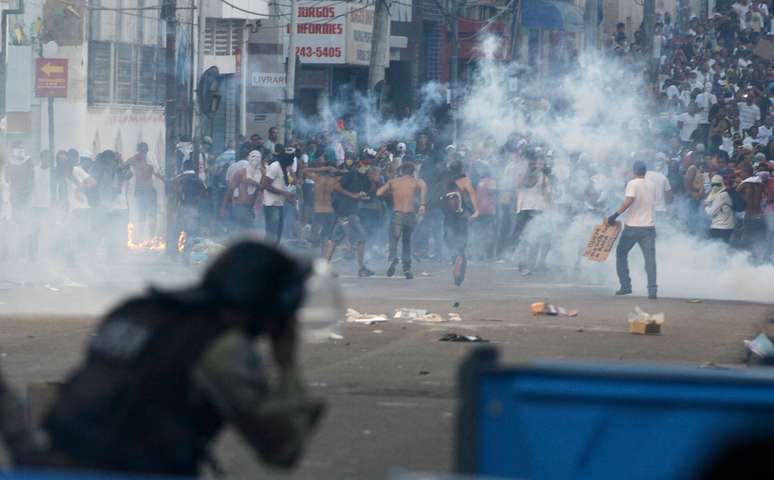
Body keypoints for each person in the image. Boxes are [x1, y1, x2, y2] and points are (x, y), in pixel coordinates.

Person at [0, 241, 330, 476]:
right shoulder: (219, 347)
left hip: (45, 465)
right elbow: (282, 450)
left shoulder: (137, 311)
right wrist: (286, 363)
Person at [608, 161, 658, 299]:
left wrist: (615, 215)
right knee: (650, 260)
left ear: (634, 171)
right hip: (649, 227)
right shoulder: (652, 185)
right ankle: (652, 291)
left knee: (621, 253)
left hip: (632, 226)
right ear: (645, 171)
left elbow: (628, 201)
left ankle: (625, 286)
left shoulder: (633, 183)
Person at [325, 155, 376, 277]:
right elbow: (336, 187)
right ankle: (361, 268)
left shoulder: (365, 178)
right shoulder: (351, 175)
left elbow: (370, 193)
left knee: (334, 240)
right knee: (361, 237)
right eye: (365, 164)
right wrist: (352, 195)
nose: (367, 167)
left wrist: (374, 182)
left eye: (369, 165)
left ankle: (324, 269)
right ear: (359, 164)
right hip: (346, 211)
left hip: (348, 211)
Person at [376, 162, 427, 279]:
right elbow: (424, 186)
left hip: (397, 214)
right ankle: (406, 267)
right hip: (410, 214)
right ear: (412, 171)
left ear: (401, 171)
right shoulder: (416, 182)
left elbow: (379, 192)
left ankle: (393, 258)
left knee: (394, 239)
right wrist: (422, 205)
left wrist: (392, 193)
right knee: (407, 242)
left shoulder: (393, 182)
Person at [439, 159, 479, 286]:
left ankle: (455, 259)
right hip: (462, 217)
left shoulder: (445, 180)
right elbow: (472, 194)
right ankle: (459, 275)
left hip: (448, 217)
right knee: (461, 244)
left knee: (449, 241)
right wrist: (476, 211)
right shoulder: (465, 180)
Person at [260, 148, 297, 244]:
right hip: (271, 205)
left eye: (293, 159)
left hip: (279, 204)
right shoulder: (275, 166)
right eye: (290, 159)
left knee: (278, 234)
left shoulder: (286, 168)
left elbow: (291, 184)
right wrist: (285, 194)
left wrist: (289, 198)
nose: (292, 161)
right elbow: (265, 185)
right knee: (272, 234)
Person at [303, 162, 340, 255]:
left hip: (318, 210)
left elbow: (304, 170)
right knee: (326, 235)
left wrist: (322, 169)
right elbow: (348, 174)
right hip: (329, 210)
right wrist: (337, 171)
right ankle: (323, 256)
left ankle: (317, 246)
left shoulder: (318, 178)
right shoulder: (334, 180)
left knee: (314, 232)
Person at [175, 160, 208, 262]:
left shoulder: (181, 179)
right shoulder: (198, 179)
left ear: (184, 167)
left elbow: (178, 192)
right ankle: (189, 253)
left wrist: (180, 202)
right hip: (195, 208)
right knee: (192, 232)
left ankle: (183, 253)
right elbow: (205, 194)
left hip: (185, 208)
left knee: (181, 229)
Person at [128, 143, 162, 242]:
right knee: (141, 216)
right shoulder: (133, 160)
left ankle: (151, 238)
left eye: (145, 151)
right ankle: (140, 238)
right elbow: (124, 166)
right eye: (141, 151)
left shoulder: (150, 160)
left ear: (147, 151)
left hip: (150, 191)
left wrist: (167, 181)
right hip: (139, 192)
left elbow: (157, 173)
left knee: (152, 215)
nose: (143, 153)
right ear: (138, 151)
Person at [737, 164, 767, 262]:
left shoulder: (743, 184)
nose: (740, 174)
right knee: (759, 240)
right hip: (760, 216)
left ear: (746, 172)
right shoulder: (760, 183)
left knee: (746, 241)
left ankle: (747, 262)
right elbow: (771, 197)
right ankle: (760, 262)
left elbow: (734, 196)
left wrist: (744, 199)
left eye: (742, 172)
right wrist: (761, 203)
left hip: (749, 216)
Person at [705, 174, 735, 243]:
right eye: (713, 185)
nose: (715, 187)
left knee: (716, 248)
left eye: (717, 184)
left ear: (721, 184)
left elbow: (711, 212)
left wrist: (705, 206)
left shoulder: (722, 195)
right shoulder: (716, 194)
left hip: (721, 227)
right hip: (721, 226)